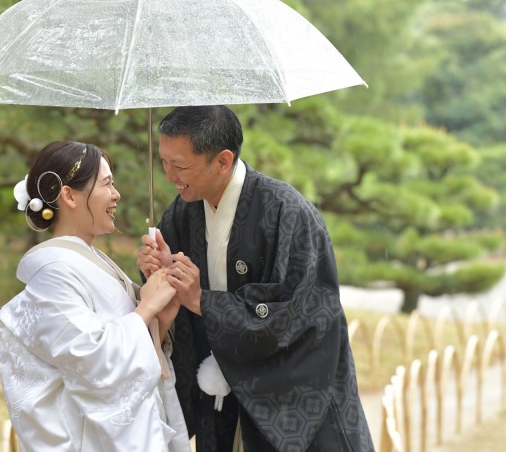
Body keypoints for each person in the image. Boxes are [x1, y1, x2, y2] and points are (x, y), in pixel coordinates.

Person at [137, 106, 374, 451]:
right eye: (164, 163)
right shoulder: (181, 213)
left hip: (294, 402)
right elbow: (171, 314)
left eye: (181, 166)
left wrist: (201, 300)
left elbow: (295, 317)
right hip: (220, 401)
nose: (170, 175)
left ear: (222, 161)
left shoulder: (288, 213)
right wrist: (160, 276)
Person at [0, 140, 191, 451]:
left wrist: (159, 321)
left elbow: (124, 351)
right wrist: (147, 307)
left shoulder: (88, 261)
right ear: (69, 196)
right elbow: (91, 362)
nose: (117, 195)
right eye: (107, 184)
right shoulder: (54, 272)